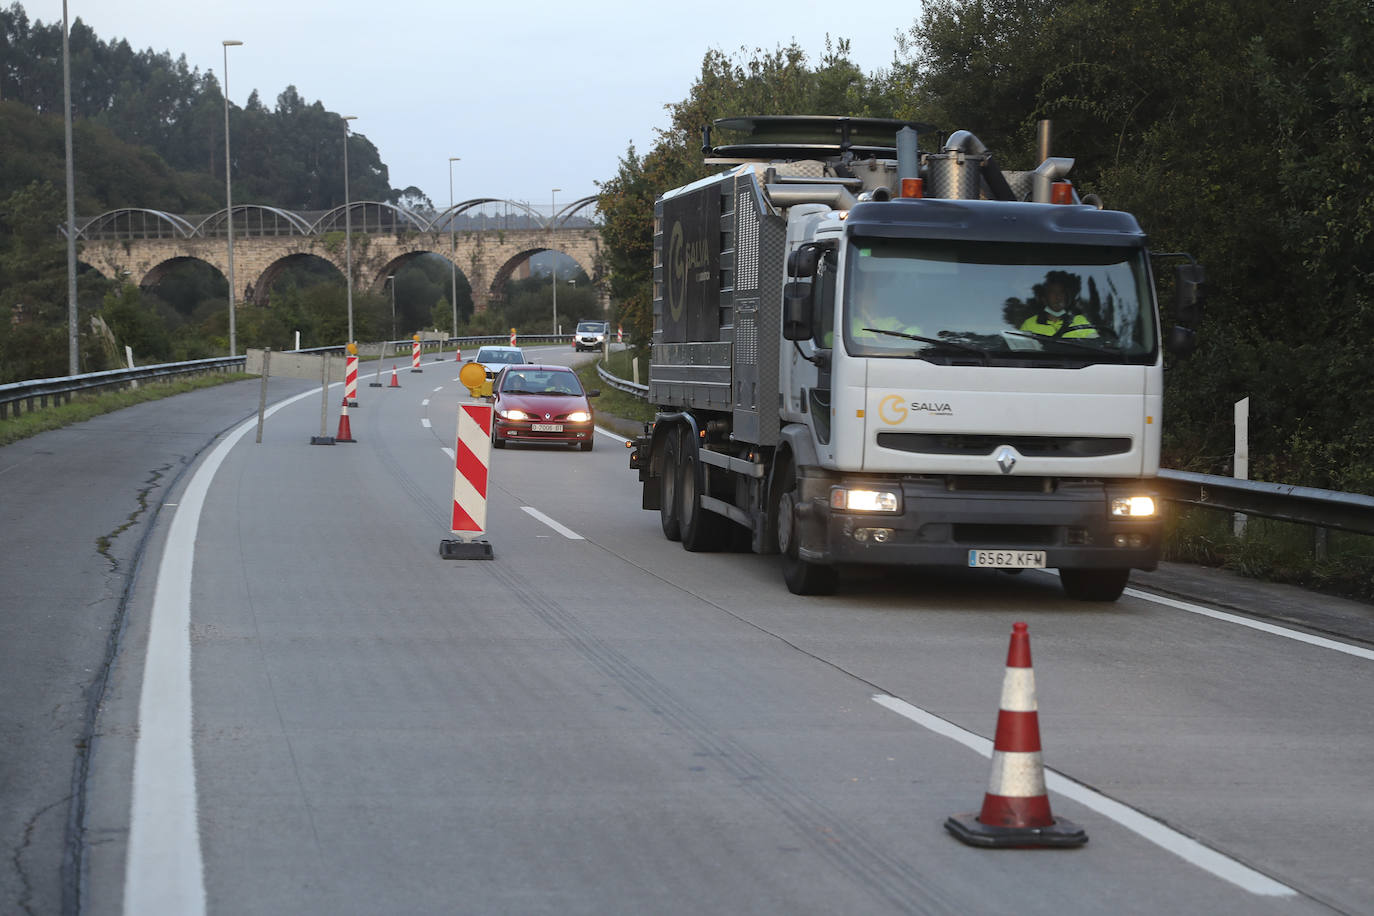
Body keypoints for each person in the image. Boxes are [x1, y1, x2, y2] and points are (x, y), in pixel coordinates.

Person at [1019, 271, 1097, 338]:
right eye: (1053, 292)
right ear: (1044, 299)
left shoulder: (1080, 321)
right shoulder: (1029, 325)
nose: (1058, 297)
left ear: (1066, 298)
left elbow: (1095, 348)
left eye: (1061, 292)